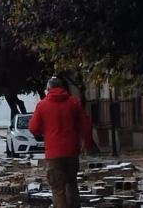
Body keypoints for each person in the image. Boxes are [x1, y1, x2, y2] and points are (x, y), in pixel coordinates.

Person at [29, 77, 93, 208]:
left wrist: (45, 132)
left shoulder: (42, 105)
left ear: (48, 89)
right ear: (63, 88)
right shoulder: (73, 103)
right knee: (71, 184)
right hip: (71, 151)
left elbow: (33, 128)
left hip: (53, 154)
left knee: (58, 189)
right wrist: (86, 144)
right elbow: (86, 125)